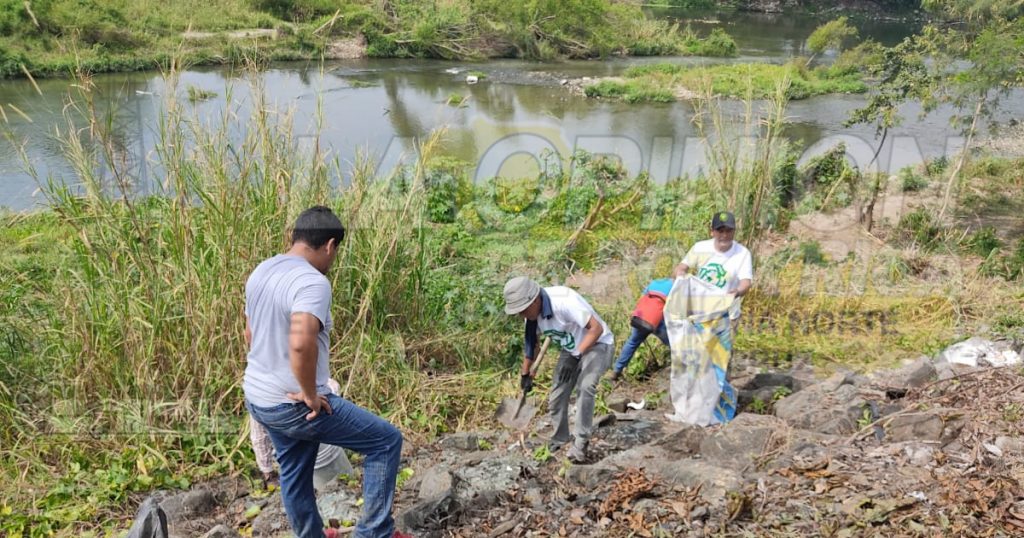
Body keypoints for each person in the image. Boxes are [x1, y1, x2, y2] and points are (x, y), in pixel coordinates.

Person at [243, 206, 410, 538]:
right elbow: (303, 342)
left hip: (259, 398)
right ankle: (375, 532)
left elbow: (249, 333)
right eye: (335, 253)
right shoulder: (312, 281)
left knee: (293, 470)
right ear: (330, 245)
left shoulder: (262, 270)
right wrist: (308, 394)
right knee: (385, 441)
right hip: (295, 405)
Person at [503, 277, 614, 463]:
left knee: (585, 387)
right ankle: (560, 437)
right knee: (557, 395)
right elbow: (532, 345)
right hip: (571, 349)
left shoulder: (565, 302)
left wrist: (576, 355)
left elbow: (597, 329)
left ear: (535, 300)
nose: (521, 314)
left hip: (598, 344)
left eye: (523, 310)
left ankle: (581, 442)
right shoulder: (531, 317)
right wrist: (525, 373)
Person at [672, 210, 753, 329]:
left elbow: (746, 283)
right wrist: (680, 276)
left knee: (720, 348)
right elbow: (681, 268)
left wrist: (737, 291)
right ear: (712, 232)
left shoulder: (743, 253)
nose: (724, 235)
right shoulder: (700, 247)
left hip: (727, 317)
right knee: (695, 347)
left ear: (734, 231)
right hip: (699, 314)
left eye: (729, 231)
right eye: (720, 231)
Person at [609, 278, 674, 382]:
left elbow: (643, 299)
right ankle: (678, 368)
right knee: (673, 343)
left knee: (632, 342)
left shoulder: (654, 283)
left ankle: (616, 371)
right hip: (658, 322)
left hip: (642, 317)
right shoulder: (676, 286)